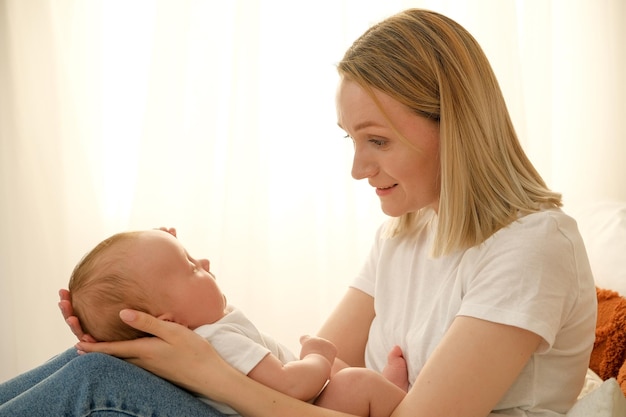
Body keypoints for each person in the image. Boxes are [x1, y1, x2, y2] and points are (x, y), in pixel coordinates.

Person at [0, 8, 596, 417]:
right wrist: (143, 333)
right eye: (351, 140)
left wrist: (209, 371)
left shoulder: (531, 244)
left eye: (378, 141)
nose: (358, 169)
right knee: (91, 362)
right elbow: (312, 366)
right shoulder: (407, 232)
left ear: (457, 127)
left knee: (98, 382)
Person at [63, 228, 406, 416]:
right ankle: (396, 402)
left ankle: (387, 395)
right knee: (354, 384)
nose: (205, 262)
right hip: (295, 404)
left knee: (342, 375)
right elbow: (292, 387)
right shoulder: (218, 339)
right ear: (169, 322)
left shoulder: (179, 346)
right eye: (192, 268)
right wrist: (318, 354)